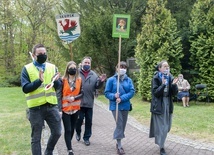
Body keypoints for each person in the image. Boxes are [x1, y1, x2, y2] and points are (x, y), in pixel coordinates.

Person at [21, 44, 62, 155]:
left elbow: (58, 86)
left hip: (51, 106)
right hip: (35, 109)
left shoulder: (52, 67)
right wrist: (39, 81)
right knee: (36, 138)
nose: (43, 56)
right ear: (34, 55)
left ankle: (48, 151)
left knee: (58, 132)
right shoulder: (27, 69)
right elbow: (25, 88)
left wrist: (57, 81)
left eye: (44, 53)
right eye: (40, 54)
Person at [104, 61, 135, 155]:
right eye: (121, 67)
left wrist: (121, 98)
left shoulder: (128, 80)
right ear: (116, 68)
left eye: (124, 67)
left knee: (123, 125)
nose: (123, 69)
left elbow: (132, 91)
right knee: (119, 124)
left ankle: (118, 140)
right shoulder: (111, 80)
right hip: (115, 106)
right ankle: (119, 145)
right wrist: (114, 96)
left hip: (125, 105)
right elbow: (106, 93)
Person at [75, 56, 106, 146]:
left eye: (88, 63)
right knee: (79, 120)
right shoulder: (77, 73)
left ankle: (86, 138)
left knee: (89, 121)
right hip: (79, 102)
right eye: (85, 62)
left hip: (89, 102)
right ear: (82, 63)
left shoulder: (94, 74)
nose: (87, 64)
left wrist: (101, 81)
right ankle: (78, 132)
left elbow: (97, 86)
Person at [149, 60, 178, 155]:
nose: (167, 68)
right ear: (159, 68)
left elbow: (174, 93)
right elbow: (156, 93)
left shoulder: (170, 77)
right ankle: (162, 147)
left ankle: (160, 142)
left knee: (167, 126)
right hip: (159, 104)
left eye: (168, 66)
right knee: (161, 127)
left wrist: (173, 85)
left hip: (168, 103)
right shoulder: (156, 78)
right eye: (164, 66)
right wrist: (163, 84)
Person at [59, 61, 84, 155]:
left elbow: (82, 93)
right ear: (67, 69)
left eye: (74, 68)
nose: (72, 69)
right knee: (68, 129)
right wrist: (59, 108)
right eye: (71, 68)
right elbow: (59, 94)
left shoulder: (79, 80)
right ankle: (69, 149)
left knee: (72, 129)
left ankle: (68, 143)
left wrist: (75, 98)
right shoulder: (63, 80)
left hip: (75, 108)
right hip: (65, 109)